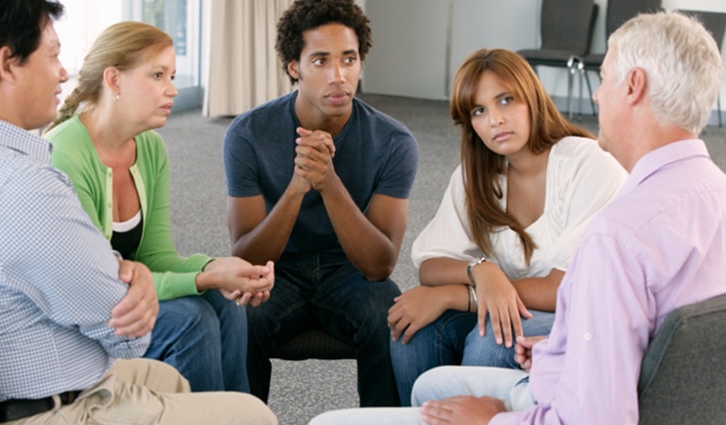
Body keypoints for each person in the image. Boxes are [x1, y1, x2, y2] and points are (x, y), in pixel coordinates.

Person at [309, 10, 726, 425]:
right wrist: (548, 342)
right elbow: (631, 339)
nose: (596, 97)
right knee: (423, 362)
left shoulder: (616, 233)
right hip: (586, 378)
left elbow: (596, 416)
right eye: (478, 111)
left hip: (562, 401)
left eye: (603, 80)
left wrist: (492, 420)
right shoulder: (710, 192)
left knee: (332, 420)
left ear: (633, 86)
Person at [0, 1, 277, 424]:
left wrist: (180, 271)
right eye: (53, 55)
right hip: (52, 402)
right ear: (7, 64)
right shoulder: (23, 185)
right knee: (251, 413)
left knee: (175, 378)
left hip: (18, 372)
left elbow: (118, 269)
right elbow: (124, 332)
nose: (62, 72)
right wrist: (138, 277)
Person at [386, 48, 627, 405]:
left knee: (493, 337)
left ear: (531, 97)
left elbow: (562, 288)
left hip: (585, 315)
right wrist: (481, 271)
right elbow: (431, 264)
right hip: (517, 306)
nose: (495, 120)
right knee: (410, 327)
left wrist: (455, 294)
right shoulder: (478, 174)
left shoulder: (588, 163)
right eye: (479, 111)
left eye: (505, 100)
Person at [44, 21, 274, 393]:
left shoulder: (149, 149)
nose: (172, 90)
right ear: (114, 81)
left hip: (125, 297)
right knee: (192, 318)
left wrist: (216, 268)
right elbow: (99, 285)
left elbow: (156, 256)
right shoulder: (66, 155)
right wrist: (205, 278)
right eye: (157, 75)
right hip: (82, 311)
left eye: (172, 75)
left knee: (226, 304)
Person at [223, 0, 418, 407]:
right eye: (320, 61)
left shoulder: (394, 143)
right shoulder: (248, 134)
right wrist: (297, 188)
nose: (338, 76)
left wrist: (328, 182)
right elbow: (246, 257)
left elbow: (380, 265)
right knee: (236, 318)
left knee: (394, 317)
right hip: (276, 272)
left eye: (349, 59)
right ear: (294, 66)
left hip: (351, 272)